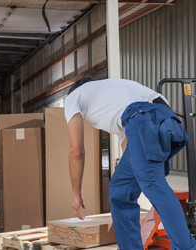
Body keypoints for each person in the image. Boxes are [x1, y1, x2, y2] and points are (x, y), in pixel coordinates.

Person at [64, 77, 196, 250]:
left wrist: (76, 194)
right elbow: (131, 150)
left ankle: (186, 248)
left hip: (143, 119)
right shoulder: (112, 94)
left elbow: (77, 152)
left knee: (153, 185)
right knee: (121, 190)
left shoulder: (74, 96)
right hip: (164, 121)